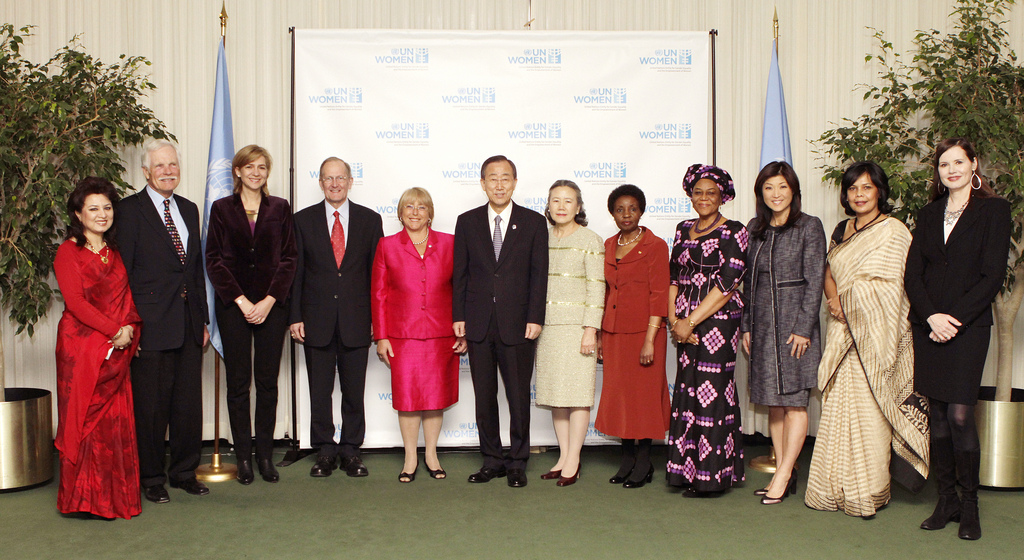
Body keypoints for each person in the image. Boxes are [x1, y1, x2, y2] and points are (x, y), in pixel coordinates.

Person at [804, 161, 929, 517]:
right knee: (837, 411)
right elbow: (829, 272)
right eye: (853, 189)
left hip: (873, 337)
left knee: (870, 416)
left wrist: (854, 298)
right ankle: (831, 489)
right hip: (842, 331)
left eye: (866, 188)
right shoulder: (842, 230)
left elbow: (896, 286)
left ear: (879, 192)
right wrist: (834, 299)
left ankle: (867, 492)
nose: (859, 195)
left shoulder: (894, 231)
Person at [906, 138, 1011, 540]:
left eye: (958, 162)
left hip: (967, 328)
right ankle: (945, 499)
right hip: (928, 325)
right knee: (936, 416)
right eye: (944, 164)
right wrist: (931, 316)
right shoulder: (929, 213)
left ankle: (970, 506)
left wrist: (954, 320)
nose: (951, 169)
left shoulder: (993, 210)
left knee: (960, 415)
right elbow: (913, 274)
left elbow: (992, 276)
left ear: (974, 165)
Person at [117, 139, 210, 503]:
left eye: (173, 165)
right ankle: (151, 477)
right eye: (160, 166)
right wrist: (130, 325)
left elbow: (195, 270)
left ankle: (185, 471)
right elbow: (122, 274)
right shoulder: (129, 211)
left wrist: (201, 320)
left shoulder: (188, 209)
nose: (168, 171)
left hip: (188, 324)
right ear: (145, 172)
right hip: (150, 324)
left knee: (187, 406)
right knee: (151, 407)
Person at [453, 154, 548, 488]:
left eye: (505, 178)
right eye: (492, 178)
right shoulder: (466, 222)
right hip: (479, 323)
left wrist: (536, 317)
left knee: (519, 396)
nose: (499, 184)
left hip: (519, 324)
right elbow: (460, 274)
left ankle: (518, 461)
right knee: (484, 395)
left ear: (515, 182)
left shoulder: (534, 223)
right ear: (482, 183)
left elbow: (539, 276)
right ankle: (491, 458)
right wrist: (459, 317)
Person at [205, 145, 297, 485]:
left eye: (262, 167)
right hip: (234, 308)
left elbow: (289, 258)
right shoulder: (221, 209)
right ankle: (243, 457)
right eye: (250, 167)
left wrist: (270, 300)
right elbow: (213, 260)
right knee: (238, 383)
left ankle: (265, 458)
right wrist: (243, 302)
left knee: (268, 384)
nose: (256, 172)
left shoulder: (280, 208)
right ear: (238, 172)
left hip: (273, 308)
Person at [54, 177, 143, 519]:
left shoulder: (114, 252)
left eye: (107, 207)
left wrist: (129, 331)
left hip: (116, 349)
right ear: (78, 214)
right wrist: (113, 331)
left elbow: (126, 299)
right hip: (81, 349)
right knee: (84, 422)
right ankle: (82, 501)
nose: (102, 214)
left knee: (113, 422)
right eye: (93, 208)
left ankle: (113, 498)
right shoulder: (68, 251)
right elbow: (75, 302)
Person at [290, 157, 383, 478]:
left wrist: (378, 321)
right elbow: (296, 273)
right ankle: (325, 451)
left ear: (350, 181)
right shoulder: (302, 221)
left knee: (354, 391)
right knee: (320, 391)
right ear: (320, 182)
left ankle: (351, 451)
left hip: (358, 321)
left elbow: (377, 277)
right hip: (315, 321)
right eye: (328, 178)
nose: (334, 184)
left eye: (340, 178)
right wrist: (294, 316)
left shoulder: (370, 221)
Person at [740, 160, 826, 505]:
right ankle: (782, 471)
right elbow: (746, 282)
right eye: (769, 188)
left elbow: (815, 279)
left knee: (794, 402)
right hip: (761, 328)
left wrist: (804, 328)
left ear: (794, 191)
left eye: (783, 187)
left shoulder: (809, 226)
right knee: (773, 404)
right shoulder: (754, 228)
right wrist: (746, 325)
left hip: (795, 329)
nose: (776, 194)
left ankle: (786, 472)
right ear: (761, 193)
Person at [371, 187, 466, 482]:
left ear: (430, 214)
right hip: (402, 336)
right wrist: (381, 336)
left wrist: (464, 328)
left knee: (435, 398)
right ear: (400, 213)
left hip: (442, 334)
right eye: (408, 207)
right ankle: (410, 457)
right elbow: (379, 294)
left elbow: (462, 289)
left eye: (421, 207)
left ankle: (432, 455)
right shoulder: (386, 246)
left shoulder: (450, 244)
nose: (415, 212)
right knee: (409, 399)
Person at [666, 164, 748, 498]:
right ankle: (685, 472)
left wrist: (690, 321)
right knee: (687, 392)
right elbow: (672, 278)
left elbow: (727, 285)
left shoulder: (735, 231)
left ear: (723, 196)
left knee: (712, 394)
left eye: (711, 193)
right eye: (698, 192)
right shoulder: (682, 228)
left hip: (718, 323)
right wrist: (674, 321)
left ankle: (711, 477)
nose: (703, 198)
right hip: (683, 325)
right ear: (689, 195)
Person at [594, 184, 671, 489]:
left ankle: (644, 461)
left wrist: (650, 339)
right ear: (612, 213)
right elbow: (606, 291)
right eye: (620, 209)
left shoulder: (655, 245)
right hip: (614, 332)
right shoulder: (609, 244)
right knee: (620, 397)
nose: (627, 215)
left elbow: (659, 294)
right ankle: (626, 459)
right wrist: (600, 335)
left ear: (642, 210)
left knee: (643, 399)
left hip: (645, 332)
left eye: (633, 209)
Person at [534, 180, 605, 487]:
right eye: (556, 201)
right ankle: (563, 456)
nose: (561, 206)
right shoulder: (541, 238)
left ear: (578, 207)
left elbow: (597, 287)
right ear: (548, 206)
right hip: (547, 328)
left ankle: (574, 459)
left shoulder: (591, 239)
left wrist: (591, 329)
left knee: (577, 397)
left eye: (568, 201)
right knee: (556, 397)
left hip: (578, 328)